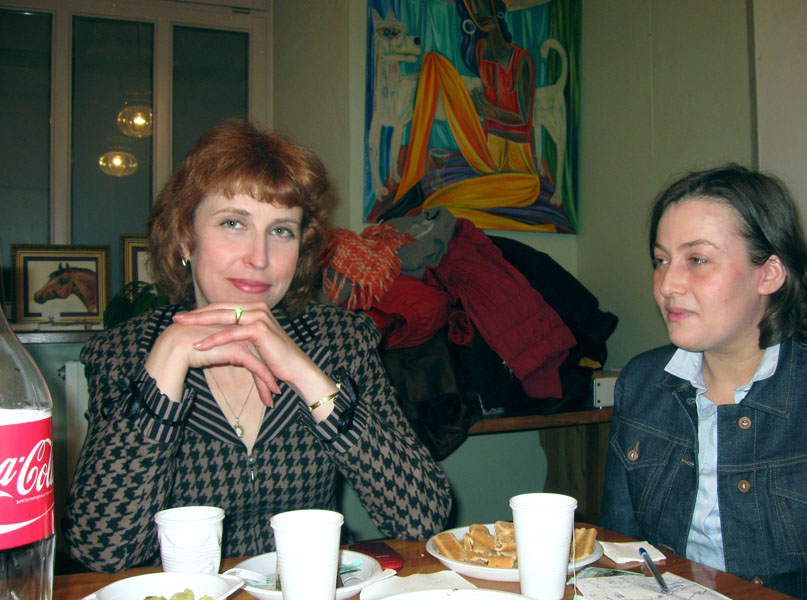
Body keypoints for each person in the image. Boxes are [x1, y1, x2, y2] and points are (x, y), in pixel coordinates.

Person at [63, 119, 452, 573]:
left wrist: (308, 376)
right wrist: (165, 365)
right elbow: (102, 552)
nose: (260, 257)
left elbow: (422, 519)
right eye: (233, 223)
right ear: (186, 236)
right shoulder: (125, 353)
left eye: (281, 230)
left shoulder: (342, 341)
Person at [599, 163, 807, 599]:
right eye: (661, 260)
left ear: (769, 273)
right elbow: (621, 551)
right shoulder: (642, 383)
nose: (667, 284)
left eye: (697, 260)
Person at [378, 0, 543, 230]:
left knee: (438, 203)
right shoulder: (479, 50)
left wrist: (490, 112)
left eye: (483, 4)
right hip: (486, 153)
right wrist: (478, 109)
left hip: (521, 170)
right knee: (433, 61)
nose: (479, 13)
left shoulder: (522, 59)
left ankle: (420, 195)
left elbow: (524, 118)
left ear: (497, 8)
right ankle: (412, 180)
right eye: (472, 7)